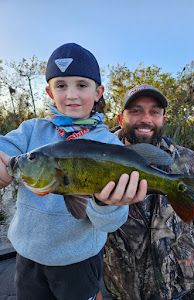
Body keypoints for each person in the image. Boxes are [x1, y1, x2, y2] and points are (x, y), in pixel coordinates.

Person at [0, 44, 147, 300]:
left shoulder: (111, 147)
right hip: (28, 257)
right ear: (49, 91)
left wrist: (105, 203)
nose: (71, 95)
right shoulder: (31, 131)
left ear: (98, 91)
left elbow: (110, 224)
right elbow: (5, 147)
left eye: (82, 85)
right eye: (61, 85)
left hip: (79, 262)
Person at [103, 84, 194, 299]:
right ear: (121, 119)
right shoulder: (100, 157)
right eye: (136, 110)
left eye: (155, 112)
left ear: (163, 120)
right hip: (127, 291)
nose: (146, 119)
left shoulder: (187, 161)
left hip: (190, 285)